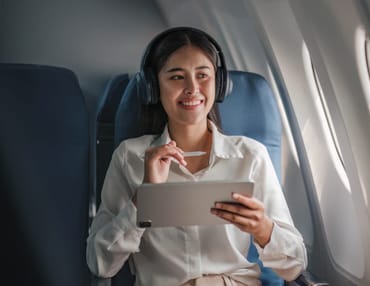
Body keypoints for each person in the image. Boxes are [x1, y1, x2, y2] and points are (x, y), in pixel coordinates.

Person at [86, 26, 307, 286]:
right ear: (154, 87)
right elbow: (100, 264)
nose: (193, 88)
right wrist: (143, 199)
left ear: (219, 84)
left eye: (203, 75)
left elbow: (295, 266)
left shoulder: (251, 155)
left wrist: (264, 230)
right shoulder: (130, 157)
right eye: (177, 77)